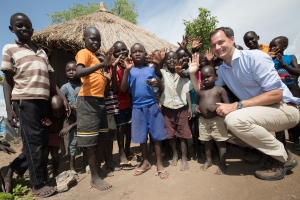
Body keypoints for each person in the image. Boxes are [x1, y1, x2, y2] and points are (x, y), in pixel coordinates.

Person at [211, 27, 299, 180]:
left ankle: (283, 157)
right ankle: (266, 151)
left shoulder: (255, 57)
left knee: (234, 120)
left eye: (221, 42)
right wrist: (192, 73)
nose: (217, 47)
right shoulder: (223, 70)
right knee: (221, 126)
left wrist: (236, 106)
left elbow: (276, 94)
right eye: (214, 45)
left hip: (284, 108)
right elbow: (211, 88)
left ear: (232, 40)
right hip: (261, 111)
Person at [0, 13, 69, 197]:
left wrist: (62, 97)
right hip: (25, 102)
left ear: (32, 29)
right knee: (34, 143)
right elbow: (7, 80)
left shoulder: (41, 52)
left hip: (43, 102)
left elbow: (51, 79)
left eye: (27, 26)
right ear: (11, 28)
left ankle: (10, 169)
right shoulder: (10, 49)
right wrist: (9, 108)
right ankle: (37, 185)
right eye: (19, 25)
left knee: (42, 142)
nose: (24, 29)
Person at [121, 43, 169, 179]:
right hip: (137, 108)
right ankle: (146, 161)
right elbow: (124, 89)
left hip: (152, 106)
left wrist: (158, 83)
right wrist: (126, 71)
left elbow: (161, 87)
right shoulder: (130, 71)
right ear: (131, 56)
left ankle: (159, 163)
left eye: (140, 51)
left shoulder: (151, 69)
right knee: (142, 137)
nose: (137, 53)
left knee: (157, 136)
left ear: (144, 53)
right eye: (134, 52)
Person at [75, 26, 114, 190]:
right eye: (92, 38)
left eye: (98, 39)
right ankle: (94, 177)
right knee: (90, 141)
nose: (96, 42)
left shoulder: (99, 61)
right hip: (87, 101)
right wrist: (100, 66)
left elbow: (105, 92)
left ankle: (96, 170)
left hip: (100, 102)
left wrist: (108, 77)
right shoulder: (83, 53)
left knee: (102, 138)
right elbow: (79, 73)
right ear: (84, 40)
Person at [150, 50, 192, 171]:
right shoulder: (162, 72)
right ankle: (175, 154)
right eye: (169, 59)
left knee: (183, 134)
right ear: (165, 62)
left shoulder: (182, 73)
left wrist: (189, 107)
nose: (172, 60)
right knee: (171, 133)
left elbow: (187, 91)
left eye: (174, 58)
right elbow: (157, 71)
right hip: (167, 108)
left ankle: (184, 157)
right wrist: (157, 63)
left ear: (178, 59)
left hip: (181, 108)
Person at [189, 61, 230, 174]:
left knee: (220, 143)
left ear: (216, 77)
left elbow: (227, 105)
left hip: (218, 120)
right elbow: (198, 102)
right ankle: (208, 160)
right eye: (203, 77)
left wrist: (216, 106)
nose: (205, 79)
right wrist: (197, 107)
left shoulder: (220, 90)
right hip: (203, 121)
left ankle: (222, 164)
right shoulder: (200, 91)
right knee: (207, 142)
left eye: (208, 76)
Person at [269, 36, 300, 149]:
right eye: (271, 46)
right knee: (279, 116)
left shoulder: (290, 58)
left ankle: (296, 138)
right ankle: (281, 143)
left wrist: (284, 65)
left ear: (284, 46)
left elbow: (298, 71)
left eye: (275, 45)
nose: (273, 48)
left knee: (293, 115)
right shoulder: (269, 59)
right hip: (277, 92)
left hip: (291, 90)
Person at [111, 41, 135, 170]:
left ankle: (127, 150)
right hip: (118, 104)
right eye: (118, 51)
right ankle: (121, 155)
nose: (121, 53)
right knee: (121, 129)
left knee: (129, 128)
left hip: (130, 103)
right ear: (114, 54)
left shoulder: (131, 65)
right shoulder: (113, 68)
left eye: (124, 50)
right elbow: (116, 89)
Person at [42, 95, 73, 178]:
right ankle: (44, 171)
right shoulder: (47, 115)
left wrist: (69, 126)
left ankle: (56, 170)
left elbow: (78, 119)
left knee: (55, 154)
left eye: (60, 111)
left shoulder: (64, 114)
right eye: (55, 112)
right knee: (44, 154)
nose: (58, 114)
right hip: (46, 136)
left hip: (56, 136)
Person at [60, 61, 82, 175]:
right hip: (73, 119)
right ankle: (72, 167)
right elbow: (61, 103)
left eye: (74, 69)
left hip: (85, 119)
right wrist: (70, 107)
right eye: (68, 70)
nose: (71, 72)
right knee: (73, 144)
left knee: (86, 143)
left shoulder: (83, 85)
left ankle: (87, 164)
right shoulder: (65, 88)